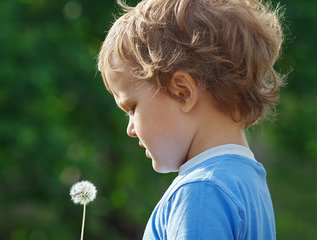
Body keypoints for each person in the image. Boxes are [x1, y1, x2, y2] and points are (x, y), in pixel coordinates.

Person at [98, 0, 285, 238]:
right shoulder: (247, 180)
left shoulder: (201, 190)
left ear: (183, 92)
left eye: (132, 108)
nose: (131, 129)